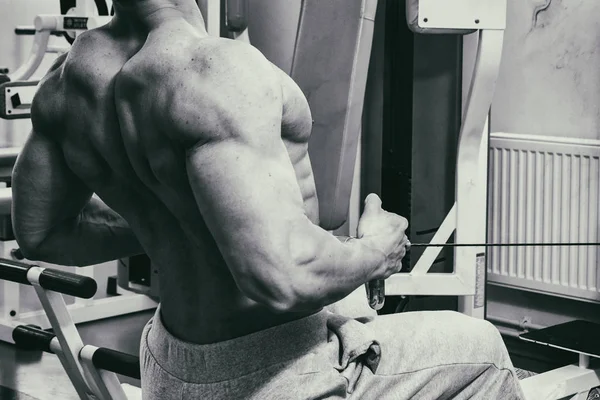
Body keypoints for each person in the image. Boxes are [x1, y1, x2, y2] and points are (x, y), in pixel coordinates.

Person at [11, 0, 526, 398]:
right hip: (273, 373)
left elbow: (43, 232)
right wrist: (376, 251)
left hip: (169, 363)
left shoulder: (66, 83)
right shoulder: (214, 69)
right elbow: (282, 277)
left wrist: (187, 214)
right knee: (483, 349)